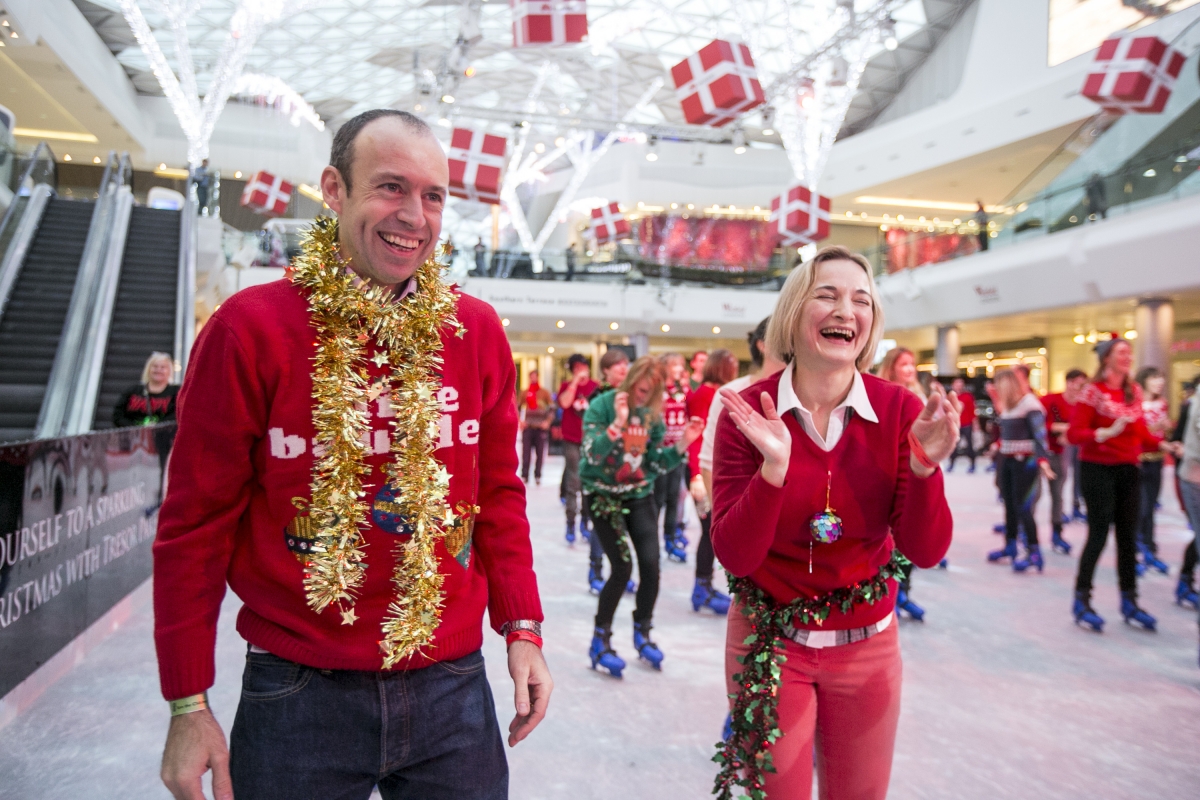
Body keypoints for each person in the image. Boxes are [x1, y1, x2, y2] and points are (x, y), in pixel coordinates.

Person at [154, 109, 551, 800]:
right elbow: (195, 525)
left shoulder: (475, 331)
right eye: (392, 187)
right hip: (298, 692)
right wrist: (188, 702)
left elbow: (497, 494)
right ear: (334, 189)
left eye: (433, 196)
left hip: (451, 684)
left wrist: (522, 626)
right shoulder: (249, 331)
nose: (416, 217)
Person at [711, 245, 955, 800]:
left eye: (860, 300)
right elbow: (736, 556)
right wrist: (774, 470)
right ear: (795, 312)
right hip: (770, 642)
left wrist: (922, 470)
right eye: (827, 295)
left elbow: (925, 549)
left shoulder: (897, 411)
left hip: (867, 646)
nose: (846, 310)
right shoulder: (748, 413)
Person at [580, 356, 703, 677]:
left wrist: (682, 445)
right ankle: (600, 640)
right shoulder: (602, 405)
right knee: (622, 567)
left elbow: (653, 464)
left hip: (638, 496)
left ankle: (643, 633)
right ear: (630, 381)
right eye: (639, 389)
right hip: (603, 497)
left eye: (649, 392)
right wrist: (618, 423)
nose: (642, 397)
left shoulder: (653, 416)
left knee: (651, 565)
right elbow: (591, 455)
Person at [1068, 337, 1171, 632]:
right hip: (1097, 469)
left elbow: (1139, 430)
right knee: (1099, 534)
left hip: (1129, 469)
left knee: (1128, 537)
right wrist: (1104, 432)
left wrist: (1165, 445)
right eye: (1121, 352)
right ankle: (1082, 600)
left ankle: (1130, 601)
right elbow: (1076, 434)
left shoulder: (1133, 391)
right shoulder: (1093, 391)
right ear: (1106, 359)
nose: (1128, 357)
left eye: (1129, 352)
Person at [696, 318, 785, 616]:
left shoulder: (801, 392)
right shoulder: (734, 394)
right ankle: (703, 586)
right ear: (761, 344)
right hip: (742, 507)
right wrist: (722, 518)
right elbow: (708, 461)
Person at [877, 346, 938, 614]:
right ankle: (885, 591)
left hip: (914, 470)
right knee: (885, 538)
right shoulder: (881, 393)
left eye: (912, 364)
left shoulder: (919, 394)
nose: (910, 369)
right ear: (892, 367)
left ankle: (903, 591)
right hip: (887, 471)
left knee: (910, 533)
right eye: (904, 364)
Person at [682, 349, 739, 615]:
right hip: (702, 473)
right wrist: (696, 475)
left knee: (712, 530)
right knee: (709, 531)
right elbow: (697, 436)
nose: (735, 367)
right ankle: (701, 588)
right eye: (732, 364)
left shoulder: (715, 392)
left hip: (710, 471)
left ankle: (703, 586)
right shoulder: (706, 394)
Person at [986, 369, 1055, 572]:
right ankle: (1010, 545)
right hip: (1007, 460)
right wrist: (998, 446)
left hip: (1025, 462)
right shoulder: (1008, 406)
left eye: (999, 385)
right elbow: (1008, 432)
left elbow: (1040, 435)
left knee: (1023, 507)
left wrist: (1043, 461)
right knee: (1009, 504)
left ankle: (1034, 552)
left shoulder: (1030, 404)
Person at [584, 348, 631, 593]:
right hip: (601, 470)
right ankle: (596, 570)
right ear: (605, 370)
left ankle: (620, 573)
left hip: (626, 468)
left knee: (622, 523)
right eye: (617, 365)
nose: (623, 368)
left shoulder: (632, 395)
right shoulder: (598, 397)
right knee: (602, 522)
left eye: (625, 364)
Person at [1041, 368, 1089, 554]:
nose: (1081, 388)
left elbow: (1081, 429)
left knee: (1058, 494)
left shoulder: (1081, 405)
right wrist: (1062, 427)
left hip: (1061, 453)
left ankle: (1057, 533)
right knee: (1033, 495)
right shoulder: (1050, 399)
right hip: (1040, 452)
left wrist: (1070, 434)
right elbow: (1037, 424)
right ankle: (1025, 532)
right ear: (1069, 382)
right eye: (1078, 384)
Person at [558, 354, 598, 544]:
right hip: (572, 440)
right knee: (573, 482)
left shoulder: (595, 387)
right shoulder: (566, 387)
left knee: (588, 483)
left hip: (590, 441)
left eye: (582, 367)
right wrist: (574, 382)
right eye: (576, 368)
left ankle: (586, 522)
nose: (580, 370)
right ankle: (570, 524)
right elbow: (565, 403)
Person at [1135, 366, 1171, 574]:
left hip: (1156, 460)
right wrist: (1156, 428)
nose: (1160, 382)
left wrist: (1166, 432)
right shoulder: (1136, 404)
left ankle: (1149, 549)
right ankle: (1137, 550)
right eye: (1155, 378)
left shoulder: (1162, 403)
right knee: (1141, 508)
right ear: (1144, 380)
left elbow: (1161, 432)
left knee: (1151, 508)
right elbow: (1135, 433)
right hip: (1138, 460)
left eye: (1161, 378)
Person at [654, 353, 690, 562]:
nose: (678, 368)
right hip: (661, 452)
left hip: (678, 451)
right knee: (658, 499)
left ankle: (670, 538)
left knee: (674, 497)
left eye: (681, 365)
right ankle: (652, 541)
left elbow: (687, 410)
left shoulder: (682, 390)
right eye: (674, 364)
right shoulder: (658, 390)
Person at [1173, 376, 1200, 609]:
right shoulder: (1194, 404)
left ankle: (1185, 579)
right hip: (1194, 479)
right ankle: (1185, 582)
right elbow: (1178, 438)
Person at [113, 352, 179, 427]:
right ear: (148, 369)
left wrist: (157, 427)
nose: (158, 370)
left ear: (169, 370)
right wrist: (136, 429)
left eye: (163, 367)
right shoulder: (133, 390)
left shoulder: (176, 392)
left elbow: (178, 414)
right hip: (133, 435)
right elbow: (118, 415)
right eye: (155, 366)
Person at [520, 370, 553, 485]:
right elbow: (516, 407)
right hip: (528, 426)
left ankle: (538, 475)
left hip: (540, 427)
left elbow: (552, 408)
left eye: (535, 376)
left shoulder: (544, 393)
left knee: (540, 453)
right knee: (526, 453)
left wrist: (547, 422)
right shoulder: (525, 392)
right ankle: (525, 475)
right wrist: (520, 421)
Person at [946, 376, 977, 472]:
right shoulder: (950, 397)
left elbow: (973, 411)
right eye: (957, 384)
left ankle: (972, 464)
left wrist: (976, 425)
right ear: (953, 385)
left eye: (961, 384)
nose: (959, 386)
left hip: (967, 424)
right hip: (955, 425)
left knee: (970, 445)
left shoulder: (968, 396)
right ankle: (951, 464)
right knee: (953, 445)